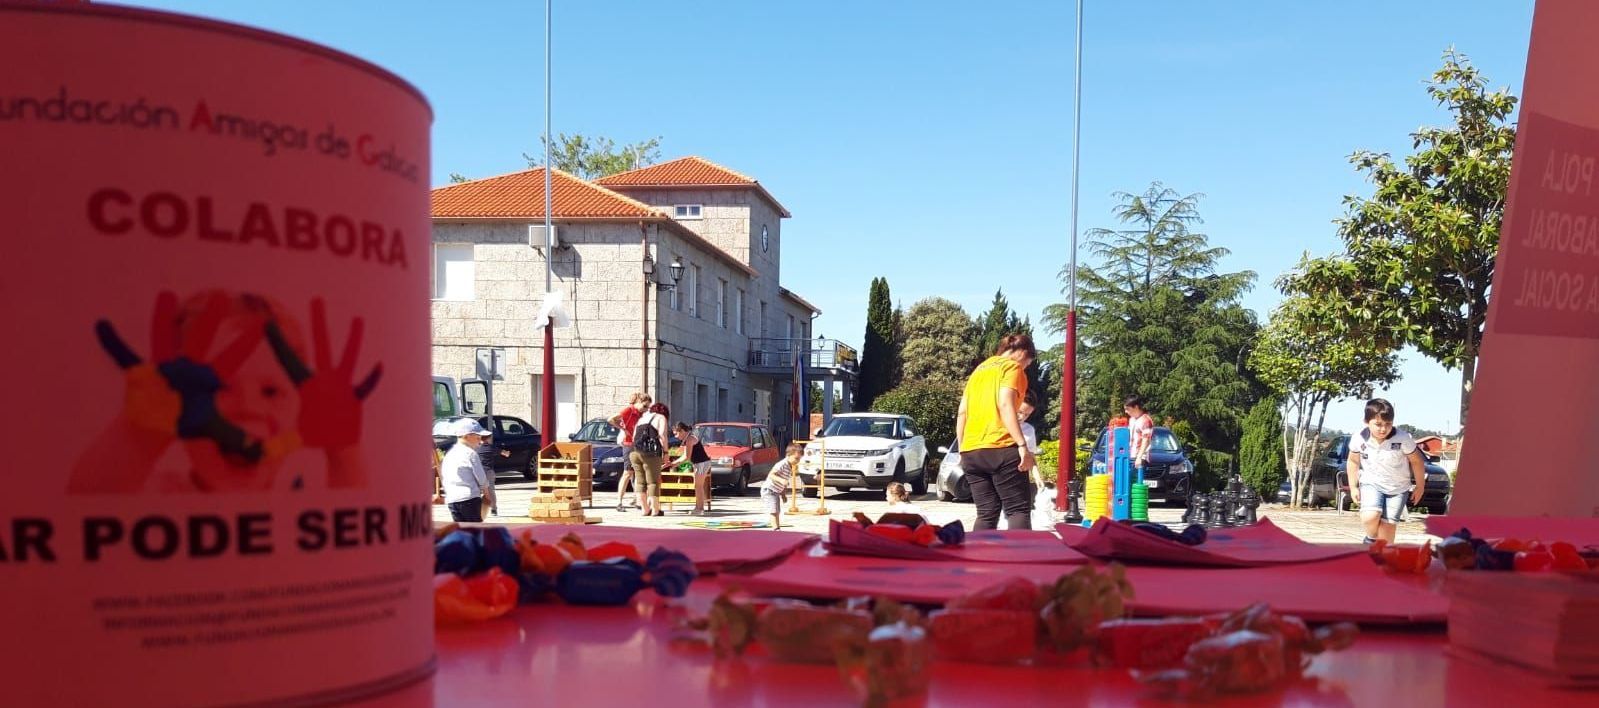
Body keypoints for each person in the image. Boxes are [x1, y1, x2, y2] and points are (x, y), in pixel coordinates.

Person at [955, 333, 1037, 531]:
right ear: (1022, 353)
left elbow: (962, 412)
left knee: (986, 512)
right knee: (1017, 510)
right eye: (1028, 362)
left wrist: (962, 447)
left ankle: (978, 552)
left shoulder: (978, 371)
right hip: (1001, 447)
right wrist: (1022, 445)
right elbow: (1005, 404)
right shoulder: (1012, 368)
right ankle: (1019, 553)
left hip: (971, 450)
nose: (1026, 367)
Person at [1347, 398, 1426, 544]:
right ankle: (1370, 539)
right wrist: (1353, 487)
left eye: (1388, 424)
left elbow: (1417, 461)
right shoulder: (1359, 438)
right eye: (1378, 424)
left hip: (1398, 488)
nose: (1383, 429)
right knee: (1370, 516)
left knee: (1387, 528)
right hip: (1371, 483)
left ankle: (1383, 553)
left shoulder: (1402, 438)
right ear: (1366, 422)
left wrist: (1420, 486)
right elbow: (1353, 461)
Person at [440, 418, 494, 522]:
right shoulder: (471, 453)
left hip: (452, 499)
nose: (480, 440)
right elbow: (481, 477)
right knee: (474, 529)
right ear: (466, 436)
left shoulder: (449, 454)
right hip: (470, 499)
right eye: (478, 437)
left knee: (461, 529)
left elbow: (445, 477)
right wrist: (487, 494)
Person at [609, 393, 649, 511]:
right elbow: (611, 419)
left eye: (647, 407)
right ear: (638, 402)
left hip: (637, 444)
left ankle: (638, 500)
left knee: (638, 472)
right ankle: (619, 502)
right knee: (628, 472)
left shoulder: (640, 413)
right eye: (644, 406)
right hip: (628, 444)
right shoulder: (629, 410)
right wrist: (623, 429)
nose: (645, 409)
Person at [631, 402, 670, 517]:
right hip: (651, 454)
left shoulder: (641, 419)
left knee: (640, 482)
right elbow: (662, 435)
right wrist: (666, 452)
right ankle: (655, 510)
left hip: (635, 452)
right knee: (653, 482)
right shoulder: (660, 417)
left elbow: (634, 437)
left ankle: (644, 509)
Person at [673, 422, 713, 515]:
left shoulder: (690, 439)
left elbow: (687, 457)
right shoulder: (688, 438)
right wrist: (673, 463)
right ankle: (698, 507)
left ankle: (700, 509)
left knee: (698, 486)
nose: (675, 436)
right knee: (697, 486)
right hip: (699, 464)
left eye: (676, 433)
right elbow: (684, 456)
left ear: (682, 431)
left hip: (702, 463)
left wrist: (674, 464)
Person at [763, 443, 802, 530]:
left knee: (777, 511)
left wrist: (783, 495)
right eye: (796, 458)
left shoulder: (790, 467)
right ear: (788, 455)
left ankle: (777, 527)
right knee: (774, 510)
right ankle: (776, 529)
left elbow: (784, 484)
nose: (797, 461)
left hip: (776, 491)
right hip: (769, 490)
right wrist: (781, 480)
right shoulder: (782, 464)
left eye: (799, 459)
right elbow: (771, 475)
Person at [1125, 396, 1154, 475]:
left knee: (1137, 481)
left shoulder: (1146, 420)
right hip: (1130, 456)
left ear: (1136, 407)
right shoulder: (1132, 420)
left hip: (1139, 458)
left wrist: (1139, 457)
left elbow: (1146, 440)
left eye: (1128, 409)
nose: (1126, 412)